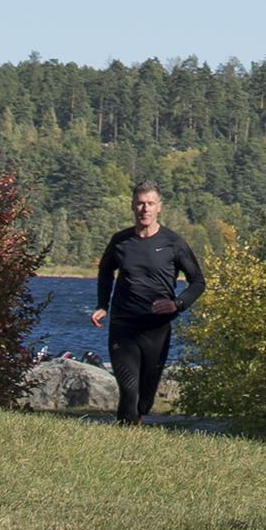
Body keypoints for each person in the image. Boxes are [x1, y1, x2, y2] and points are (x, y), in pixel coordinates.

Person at [92, 180, 206, 424]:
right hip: (124, 324)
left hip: (157, 327)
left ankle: (137, 421)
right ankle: (125, 436)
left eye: (150, 203)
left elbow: (198, 282)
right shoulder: (120, 241)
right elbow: (104, 272)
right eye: (140, 204)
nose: (145, 209)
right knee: (128, 390)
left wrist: (177, 304)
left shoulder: (173, 243)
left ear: (159, 207)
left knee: (145, 396)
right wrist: (103, 305)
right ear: (133, 206)